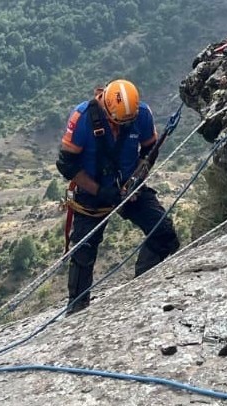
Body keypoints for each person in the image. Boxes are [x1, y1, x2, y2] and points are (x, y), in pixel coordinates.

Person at [56, 79, 180, 314]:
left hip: (128, 188)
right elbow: (67, 164)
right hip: (92, 192)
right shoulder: (83, 117)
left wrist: (137, 180)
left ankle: (142, 286)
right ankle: (78, 307)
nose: (120, 127)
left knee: (163, 232)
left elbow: (149, 150)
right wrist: (101, 191)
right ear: (105, 109)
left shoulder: (141, 114)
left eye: (126, 123)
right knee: (83, 250)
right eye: (117, 122)